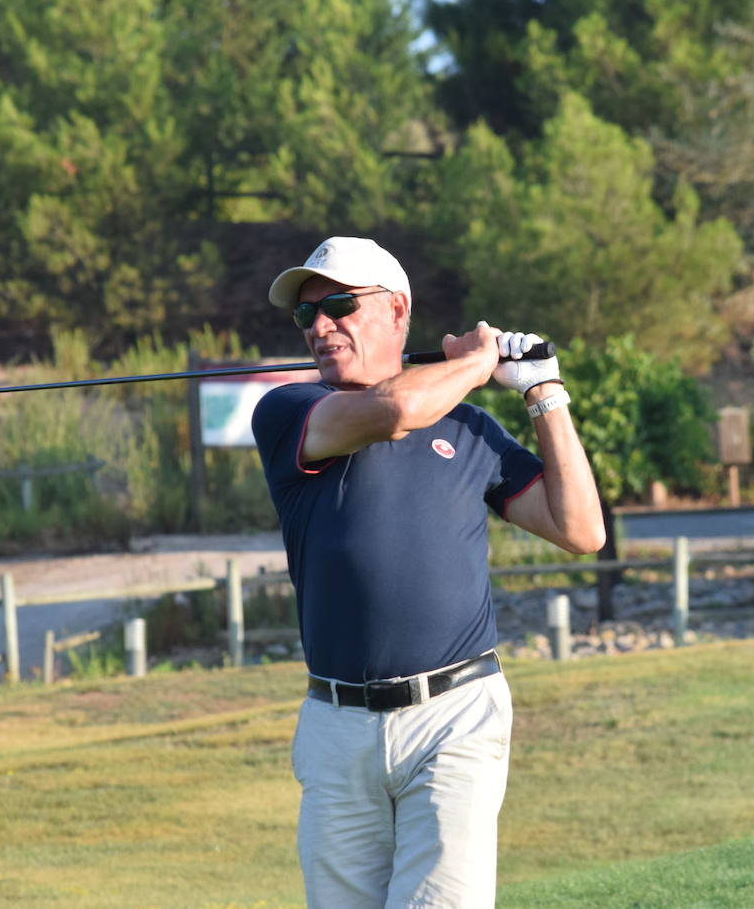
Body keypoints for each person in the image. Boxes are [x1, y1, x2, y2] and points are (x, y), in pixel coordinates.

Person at [252, 236, 604, 908]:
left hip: (454, 717)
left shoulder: (470, 432)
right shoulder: (292, 412)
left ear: (396, 310)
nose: (322, 328)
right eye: (307, 317)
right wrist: (476, 361)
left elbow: (582, 530)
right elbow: (395, 412)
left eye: (340, 307)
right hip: (336, 726)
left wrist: (544, 391)